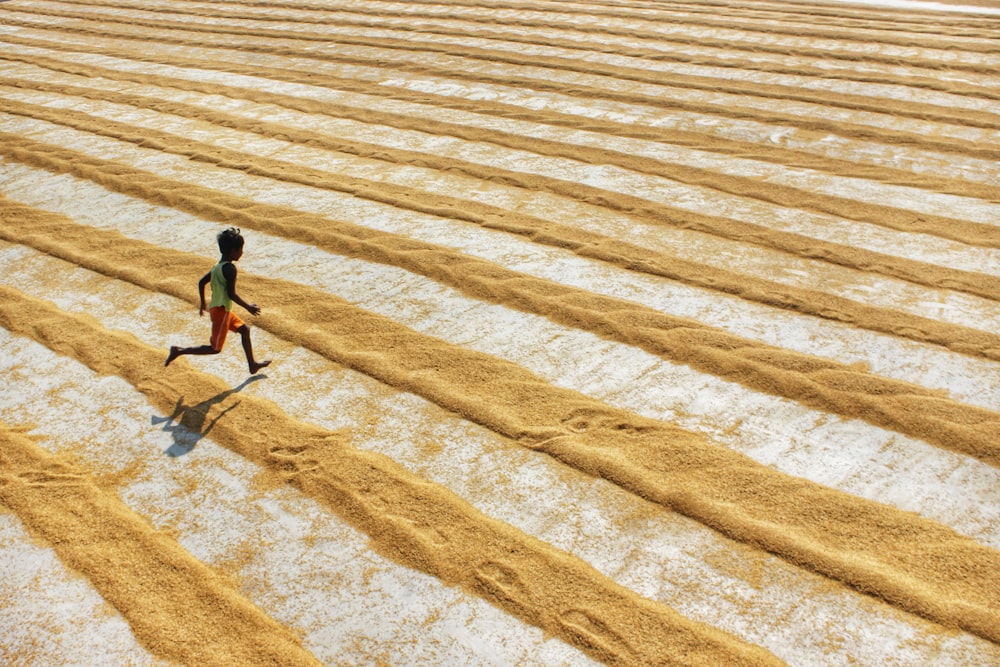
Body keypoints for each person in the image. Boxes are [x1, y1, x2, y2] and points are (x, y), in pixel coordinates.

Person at [165, 227, 271, 374]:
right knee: (215, 349)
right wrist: (248, 307)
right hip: (221, 311)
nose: (242, 252)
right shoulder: (230, 269)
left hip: (221, 310)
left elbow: (201, 282)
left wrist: (203, 303)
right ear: (233, 251)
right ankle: (179, 350)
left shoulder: (217, 267)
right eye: (240, 249)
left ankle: (252, 365)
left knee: (244, 330)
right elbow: (231, 293)